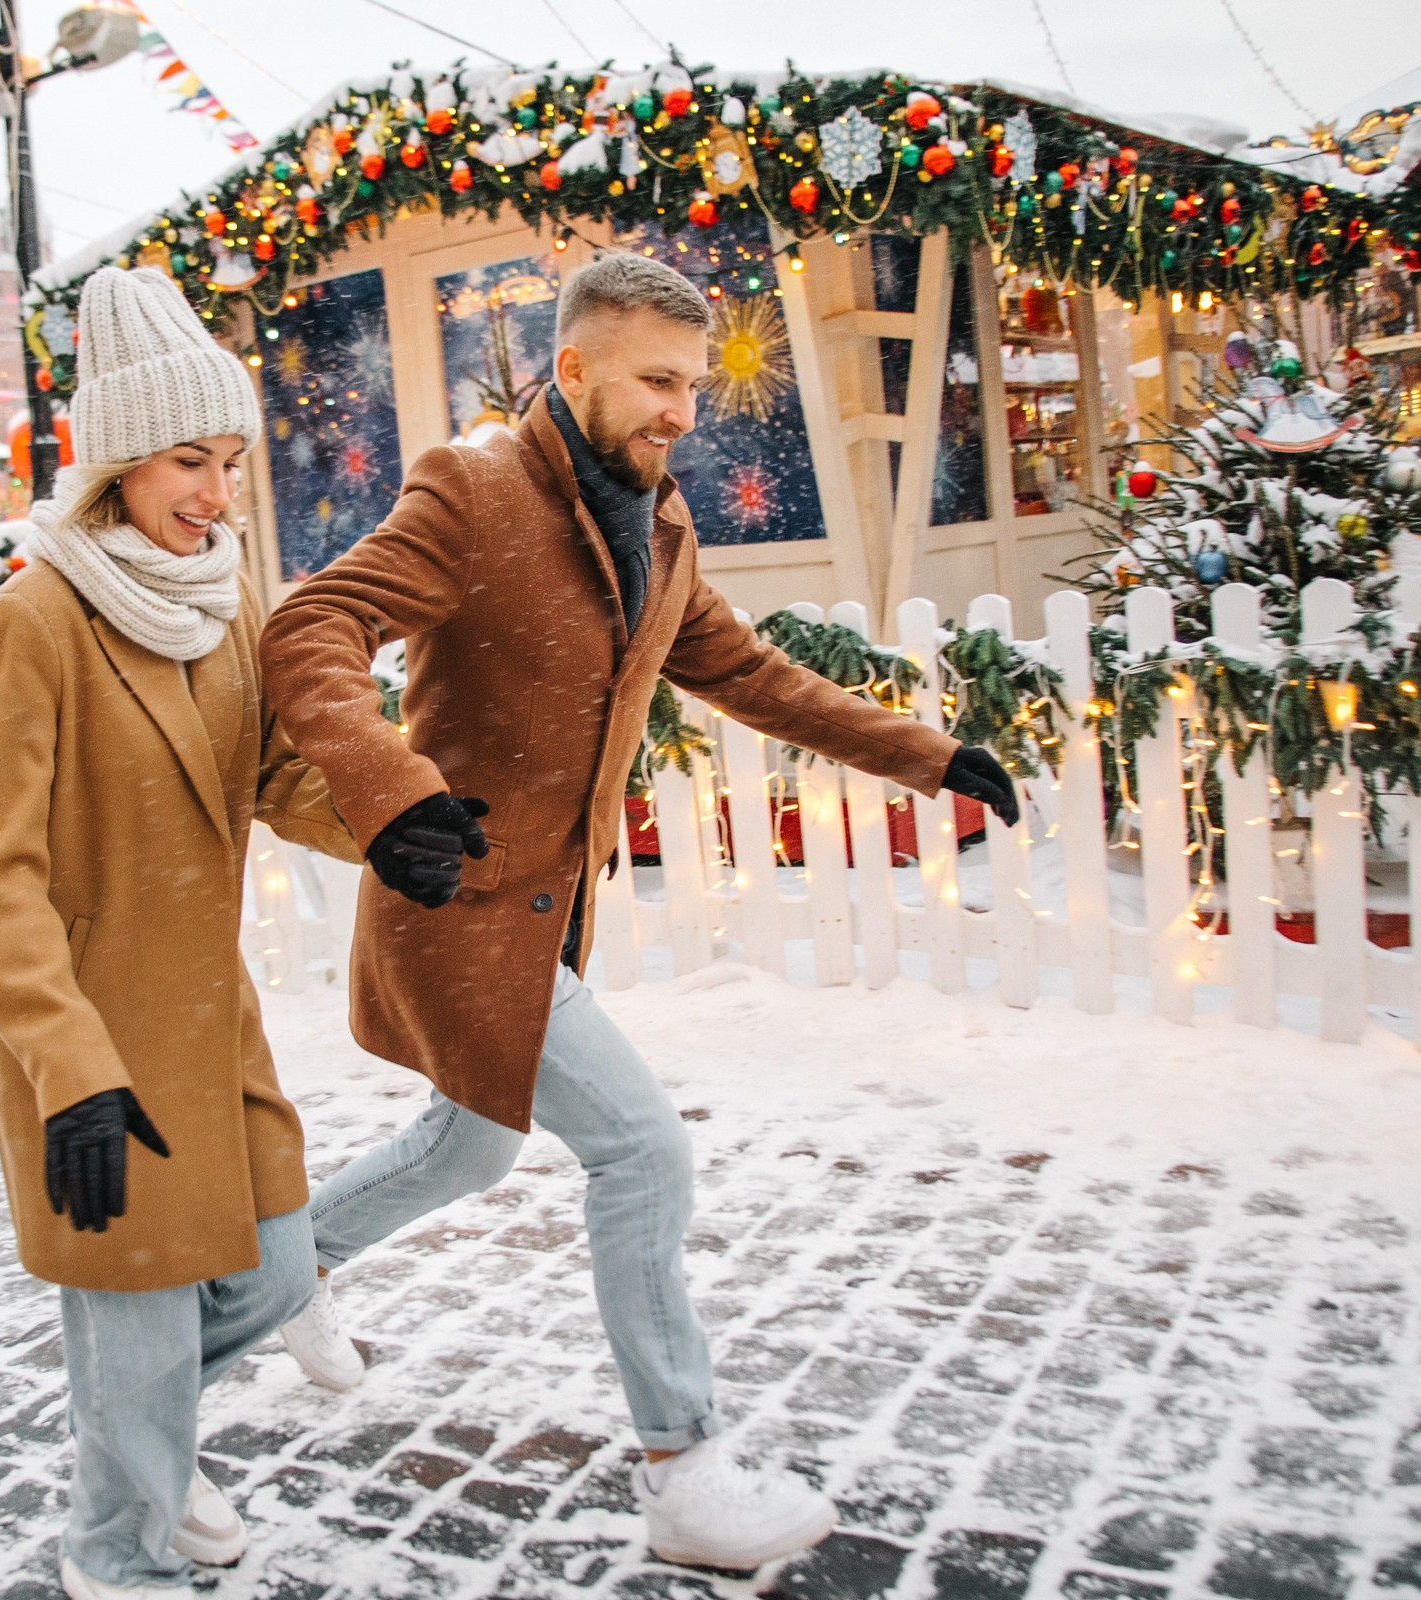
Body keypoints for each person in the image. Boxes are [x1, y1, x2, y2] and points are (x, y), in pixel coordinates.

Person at [259, 250, 1022, 1574]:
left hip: (544, 912)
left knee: (467, 1151)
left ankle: (286, 1265)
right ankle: (685, 1468)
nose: (682, 411)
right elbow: (311, 624)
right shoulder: (474, 490)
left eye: (694, 387)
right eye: (657, 381)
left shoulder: (657, 523)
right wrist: (390, 790)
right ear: (572, 369)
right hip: (457, 897)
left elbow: (755, 675)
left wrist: (929, 755)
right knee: (644, 1155)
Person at [0, 266, 359, 1600]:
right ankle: (114, 1549)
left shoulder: (224, 598)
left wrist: (397, 819)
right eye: (190, 461)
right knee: (132, 1331)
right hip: (93, 1046)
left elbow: (277, 776)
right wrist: (67, 1070)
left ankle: (146, 1440)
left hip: (211, 1023)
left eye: (231, 462)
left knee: (278, 1273)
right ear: (119, 460)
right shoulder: (32, 623)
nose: (217, 493)